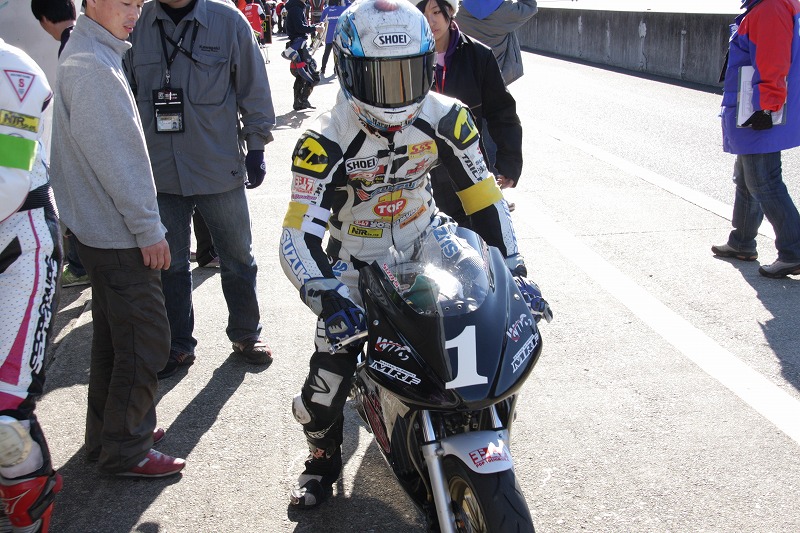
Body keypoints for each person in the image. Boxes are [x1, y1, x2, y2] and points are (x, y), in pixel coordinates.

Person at [279, 0, 550, 509]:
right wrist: (327, 296)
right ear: (349, 71)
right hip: (356, 261)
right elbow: (297, 233)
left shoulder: (449, 116)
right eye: (381, 78)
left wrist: (515, 270)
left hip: (430, 240)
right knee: (324, 391)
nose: (396, 93)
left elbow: (484, 198)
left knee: (488, 333)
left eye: (408, 74)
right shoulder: (321, 140)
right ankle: (320, 459)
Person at [50, 0, 186, 478]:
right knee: (147, 342)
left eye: (139, 3)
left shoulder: (88, 52)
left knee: (116, 340)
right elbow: (118, 162)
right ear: (91, 2)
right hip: (116, 234)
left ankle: (110, 435)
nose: (135, 12)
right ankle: (126, 447)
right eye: (125, 2)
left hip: (99, 231)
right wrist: (149, 229)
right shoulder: (92, 64)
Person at [125, 0, 276, 379]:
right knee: (168, 264)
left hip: (217, 169)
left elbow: (254, 88)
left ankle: (246, 333)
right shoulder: (135, 23)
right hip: (158, 172)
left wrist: (256, 146)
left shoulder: (229, 22)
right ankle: (176, 344)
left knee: (238, 257)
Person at [0, 38, 63, 533]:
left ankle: (28, 519)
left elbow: (9, 181)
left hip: (20, 249)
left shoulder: (13, 72)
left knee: (6, 420)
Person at [712, 0, 800, 278]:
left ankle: (794, 250)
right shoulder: (764, 6)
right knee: (747, 177)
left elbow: (773, 59)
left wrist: (766, 107)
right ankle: (742, 241)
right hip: (753, 108)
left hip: (759, 110)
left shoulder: (770, 6)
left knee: (763, 180)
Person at [417, 0, 522, 228]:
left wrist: (509, 163)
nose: (430, 21)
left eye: (436, 12)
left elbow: (501, 111)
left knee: (478, 238)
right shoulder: (405, 58)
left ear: (450, 11)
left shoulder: (478, 55)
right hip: (420, 175)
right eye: (422, 14)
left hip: (468, 170)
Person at [30, 0, 90, 289]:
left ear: (43, 20)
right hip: (88, 147)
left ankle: (80, 269)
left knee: (77, 208)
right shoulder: (85, 38)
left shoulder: (71, 46)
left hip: (81, 149)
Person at [455, 0, 538, 87]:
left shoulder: (459, 13)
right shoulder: (505, 11)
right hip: (496, 75)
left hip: (468, 75)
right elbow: (530, 6)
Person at [283, 0, 323, 110]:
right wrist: (315, 28)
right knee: (314, 76)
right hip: (299, 46)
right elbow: (299, 27)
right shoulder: (296, 8)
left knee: (300, 76)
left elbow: (299, 27)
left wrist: (314, 26)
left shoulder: (295, 7)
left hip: (297, 45)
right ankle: (303, 100)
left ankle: (298, 102)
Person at [318, 0, 346, 76]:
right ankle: (335, 69)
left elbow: (321, 21)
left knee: (326, 53)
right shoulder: (342, 9)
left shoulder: (326, 10)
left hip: (329, 35)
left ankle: (323, 69)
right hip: (338, 35)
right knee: (337, 53)